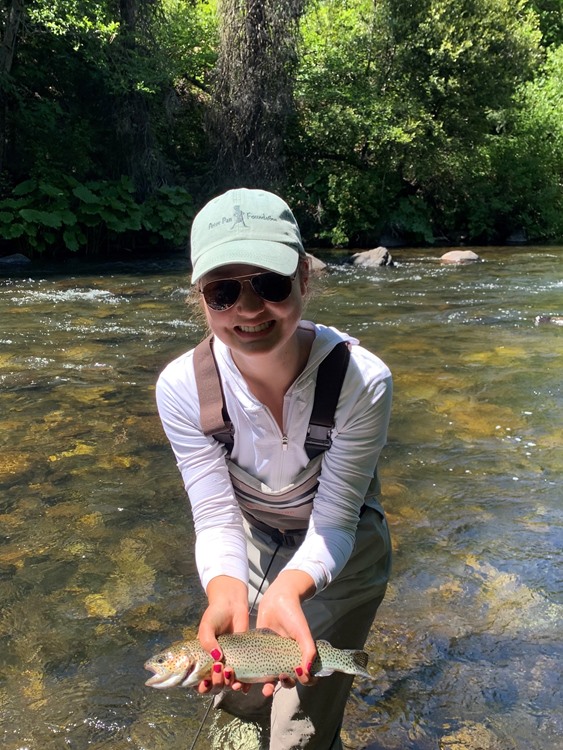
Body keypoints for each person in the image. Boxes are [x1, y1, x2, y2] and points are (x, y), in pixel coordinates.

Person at [155, 187, 392, 749]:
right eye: (223, 292)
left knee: (300, 722)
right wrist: (224, 591)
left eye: (270, 284)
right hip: (252, 535)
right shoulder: (182, 387)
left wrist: (286, 593)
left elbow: (335, 522)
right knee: (237, 692)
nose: (249, 308)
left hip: (346, 546)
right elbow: (215, 516)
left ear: (305, 280)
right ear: (201, 298)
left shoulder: (364, 380)